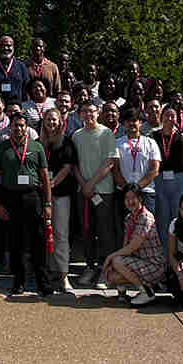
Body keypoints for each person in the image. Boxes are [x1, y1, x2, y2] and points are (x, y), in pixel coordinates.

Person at [0, 111, 53, 295]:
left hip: (32, 196)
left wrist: (48, 203)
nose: (18, 129)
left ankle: (43, 282)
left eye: (21, 125)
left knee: (38, 240)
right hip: (11, 197)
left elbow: (44, 177)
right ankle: (19, 281)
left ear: (27, 128)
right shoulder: (3, 148)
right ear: (9, 128)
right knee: (15, 241)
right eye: (15, 125)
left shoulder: (36, 147)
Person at [73, 99, 119, 288]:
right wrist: (84, 185)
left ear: (97, 112)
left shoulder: (106, 133)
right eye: (85, 111)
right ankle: (90, 266)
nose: (89, 115)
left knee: (105, 232)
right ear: (80, 114)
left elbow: (110, 162)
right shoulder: (76, 135)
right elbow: (73, 164)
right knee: (87, 231)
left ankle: (106, 271)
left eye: (92, 111)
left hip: (103, 191)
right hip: (83, 192)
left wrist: (91, 184)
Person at [101, 184, 161, 306]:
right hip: (139, 262)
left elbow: (132, 247)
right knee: (111, 274)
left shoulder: (145, 217)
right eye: (127, 198)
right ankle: (123, 292)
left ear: (141, 199)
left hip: (153, 265)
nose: (130, 201)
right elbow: (125, 247)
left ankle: (146, 292)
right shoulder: (129, 218)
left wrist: (110, 257)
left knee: (117, 260)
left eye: (133, 197)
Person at [40, 108, 77, 291]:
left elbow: (68, 167)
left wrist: (52, 183)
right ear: (43, 122)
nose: (51, 123)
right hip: (42, 196)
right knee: (45, 233)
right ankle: (47, 270)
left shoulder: (66, 142)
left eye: (54, 119)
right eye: (48, 120)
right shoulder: (39, 143)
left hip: (61, 193)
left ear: (60, 121)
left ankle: (63, 274)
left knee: (61, 234)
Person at [154, 105, 183, 247]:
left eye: (173, 116)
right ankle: (165, 255)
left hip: (178, 179)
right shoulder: (153, 136)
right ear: (161, 117)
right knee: (162, 218)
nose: (170, 119)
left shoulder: (182, 137)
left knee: (179, 217)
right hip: (160, 179)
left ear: (177, 119)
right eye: (167, 116)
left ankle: (180, 250)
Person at [113, 106, 159, 214]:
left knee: (147, 227)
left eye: (134, 120)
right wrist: (128, 190)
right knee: (126, 227)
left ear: (141, 122)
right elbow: (115, 170)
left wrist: (137, 188)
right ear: (123, 124)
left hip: (146, 192)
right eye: (128, 121)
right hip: (124, 192)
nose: (131, 123)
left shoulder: (150, 142)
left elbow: (154, 169)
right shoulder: (117, 143)